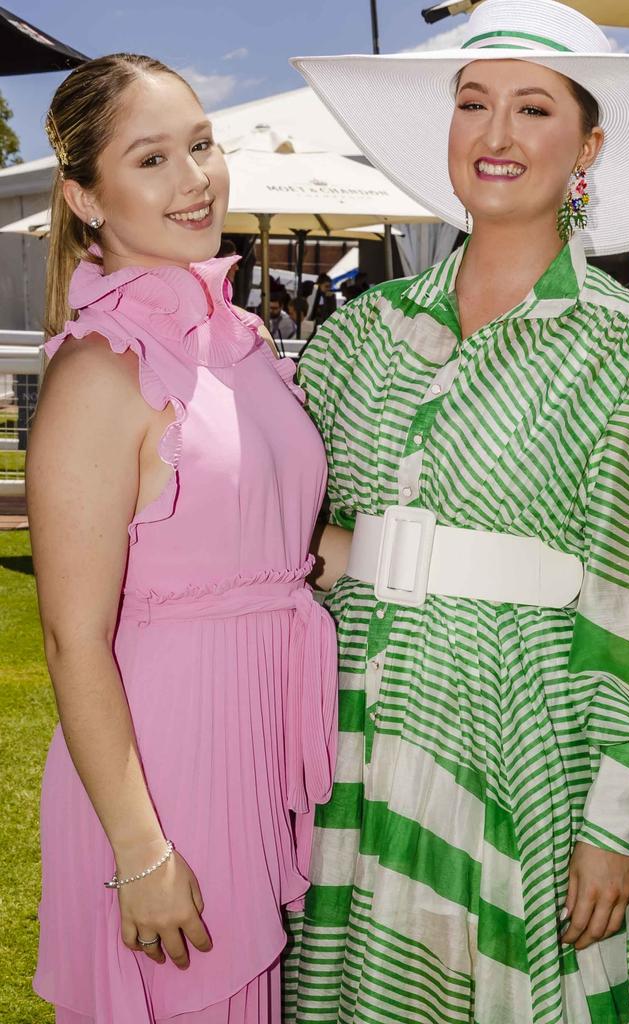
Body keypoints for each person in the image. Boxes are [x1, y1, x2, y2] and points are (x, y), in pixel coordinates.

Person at [285, 2, 629, 1022]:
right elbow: (284, 516)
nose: (495, 136)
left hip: (526, 740)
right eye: (473, 104)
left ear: (587, 143)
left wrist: (615, 814)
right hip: (349, 735)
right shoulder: (356, 338)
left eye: (533, 108)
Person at [27, 53, 336, 1024]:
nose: (195, 178)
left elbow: (293, 546)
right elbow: (71, 636)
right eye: (152, 158)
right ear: (85, 196)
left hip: (251, 740)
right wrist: (140, 852)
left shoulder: (238, 342)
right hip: (161, 766)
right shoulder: (98, 370)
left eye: (202, 144)